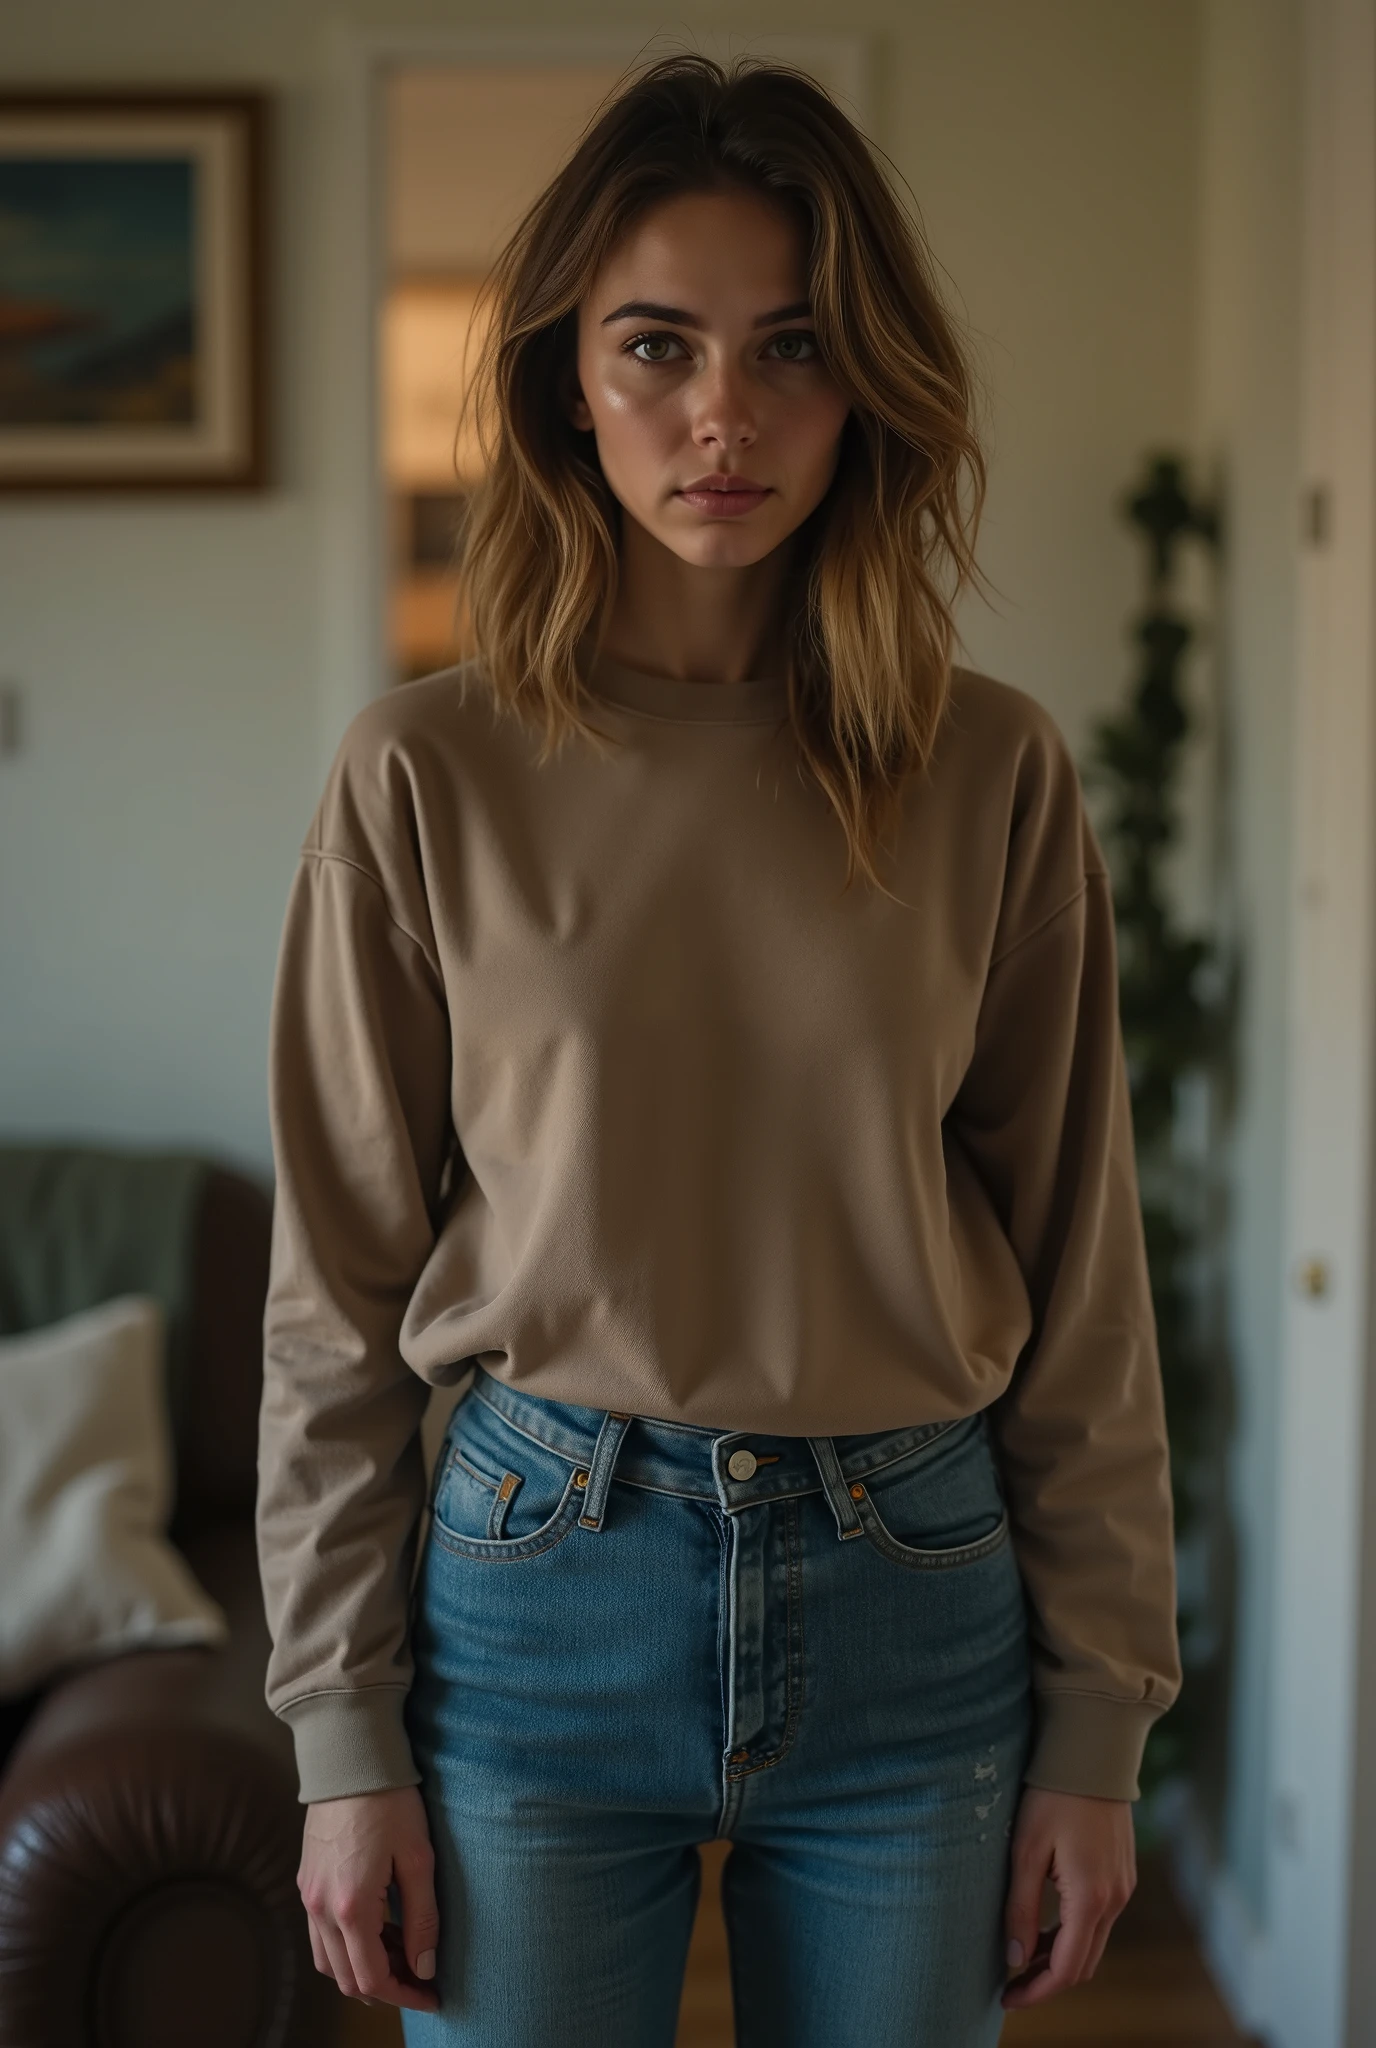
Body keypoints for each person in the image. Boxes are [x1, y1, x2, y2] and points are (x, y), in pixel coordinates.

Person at [255, 52, 1182, 2048]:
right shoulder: (422, 774)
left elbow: (1083, 1270)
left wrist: (1100, 1717)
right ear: (561, 381)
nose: (722, 415)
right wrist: (341, 1734)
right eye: (655, 345)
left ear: (865, 390)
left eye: (789, 349)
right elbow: (329, 1293)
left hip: (912, 1598)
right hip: (529, 1596)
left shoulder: (991, 770)